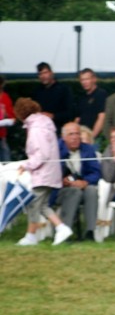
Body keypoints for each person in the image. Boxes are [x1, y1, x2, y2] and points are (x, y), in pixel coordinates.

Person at [13, 98, 73, 246]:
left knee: (34, 204)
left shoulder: (36, 129)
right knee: (42, 205)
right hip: (50, 171)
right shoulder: (44, 124)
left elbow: (42, 154)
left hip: (43, 173)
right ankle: (60, 228)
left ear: (21, 114)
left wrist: (27, 165)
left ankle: (31, 236)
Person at [55, 122, 101, 241]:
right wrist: (62, 180)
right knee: (74, 192)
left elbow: (96, 172)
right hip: (60, 189)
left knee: (91, 190)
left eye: (77, 134)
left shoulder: (88, 149)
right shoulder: (56, 149)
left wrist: (85, 182)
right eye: (71, 134)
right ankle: (66, 232)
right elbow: (50, 172)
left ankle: (90, 231)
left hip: (82, 185)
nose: (75, 137)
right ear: (63, 137)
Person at [32, 62, 74, 134]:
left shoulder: (64, 90)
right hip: (42, 132)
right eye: (40, 74)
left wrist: (53, 116)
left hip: (59, 131)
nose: (43, 76)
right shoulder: (37, 92)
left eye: (45, 73)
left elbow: (70, 113)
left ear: (51, 73)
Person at [75, 68, 107, 143]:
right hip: (81, 137)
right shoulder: (81, 97)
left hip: (95, 137)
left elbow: (102, 117)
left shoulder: (101, 94)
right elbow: (77, 118)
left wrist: (92, 137)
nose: (84, 82)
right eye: (82, 80)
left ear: (94, 79)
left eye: (87, 79)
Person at [0, 76, 16, 161]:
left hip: (2, 137)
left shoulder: (6, 98)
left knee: (6, 165)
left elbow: (13, 120)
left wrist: (6, 119)